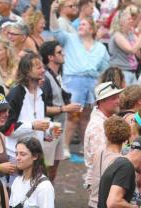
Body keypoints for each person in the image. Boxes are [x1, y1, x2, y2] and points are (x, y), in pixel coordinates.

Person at [49, 0, 110, 158]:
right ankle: (65, 147)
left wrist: (99, 84)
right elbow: (55, 31)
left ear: (92, 29)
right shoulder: (70, 39)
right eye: (80, 24)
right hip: (73, 81)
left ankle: (85, 147)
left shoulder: (100, 48)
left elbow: (105, 67)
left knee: (87, 117)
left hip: (91, 83)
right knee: (72, 116)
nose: (80, 27)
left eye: (83, 25)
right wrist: (52, 13)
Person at [39, 40, 82, 182]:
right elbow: (42, 109)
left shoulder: (57, 75)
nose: (63, 54)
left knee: (55, 164)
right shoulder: (45, 77)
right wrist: (64, 108)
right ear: (50, 57)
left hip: (58, 127)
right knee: (46, 166)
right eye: (59, 52)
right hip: (49, 128)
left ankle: (49, 197)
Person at [1, 52, 51, 164]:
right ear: (27, 71)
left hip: (36, 156)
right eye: (38, 67)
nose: (43, 70)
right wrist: (32, 126)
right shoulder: (16, 94)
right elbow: (7, 128)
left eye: (43, 67)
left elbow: (38, 122)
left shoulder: (41, 92)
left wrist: (49, 132)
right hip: (16, 156)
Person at [109, 5, 141, 85]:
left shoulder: (130, 34)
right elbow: (131, 50)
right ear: (121, 21)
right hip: (121, 72)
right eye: (129, 19)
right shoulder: (117, 35)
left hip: (132, 71)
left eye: (132, 19)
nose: (131, 21)